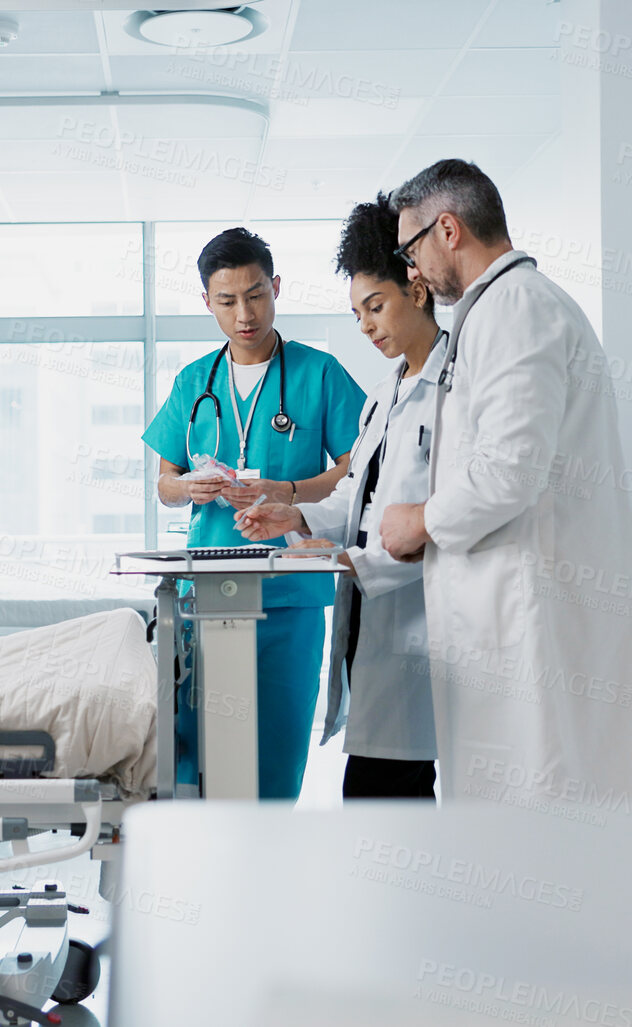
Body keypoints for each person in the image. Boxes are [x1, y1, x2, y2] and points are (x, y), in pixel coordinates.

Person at [375, 159, 632, 804]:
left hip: (532, 609)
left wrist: (419, 520)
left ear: (448, 230)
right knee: (523, 797)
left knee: (543, 795)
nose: (411, 271)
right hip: (508, 607)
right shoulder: (497, 311)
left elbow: (509, 470)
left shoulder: (516, 309)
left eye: (409, 250)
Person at [142, 227, 368, 800]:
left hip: (290, 589)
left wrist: (286, 490)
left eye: (257, 294)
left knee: (276, 749)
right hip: (209, 584)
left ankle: (267, 874)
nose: (244, 312)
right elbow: (163, 485)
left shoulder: (319, 374)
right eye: (227, 300)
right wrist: (187, 486)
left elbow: (359, 470)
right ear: (207, 302)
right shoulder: (195, 381)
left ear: (276, 288)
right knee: (204, 751)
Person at [234, 196, 441, 800]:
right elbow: (358, 492)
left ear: (418, 288)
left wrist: (353, 560)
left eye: (375, 307)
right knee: (380, 799)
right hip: (374, 631)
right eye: (356, 315)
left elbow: (450, 519)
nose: (367, 326)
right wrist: (295, 514)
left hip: (424, 628)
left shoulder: (456, 390)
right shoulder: (384, 396)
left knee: (388, 804)